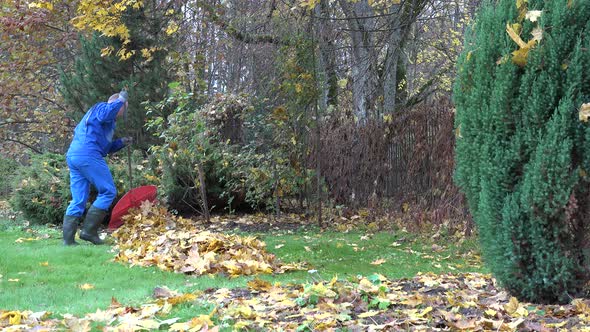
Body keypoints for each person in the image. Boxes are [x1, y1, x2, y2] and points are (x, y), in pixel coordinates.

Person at [62, 90, 132, 246]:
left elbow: (105, 149)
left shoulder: (106, 123)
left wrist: (121, 142)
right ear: (116, 105)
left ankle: (68, 241)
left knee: (78, 199)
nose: (124, 112)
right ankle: (88, 232)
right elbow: (107, 112)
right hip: (88, 155)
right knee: (108, 191)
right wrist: (121, 99)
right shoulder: (101, 108)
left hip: (75, 156)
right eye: (124, 108)